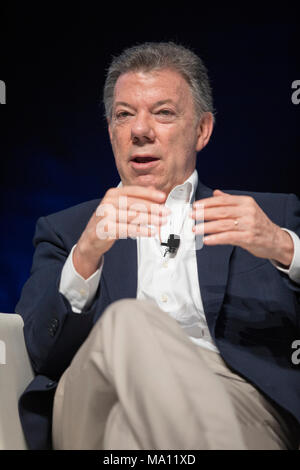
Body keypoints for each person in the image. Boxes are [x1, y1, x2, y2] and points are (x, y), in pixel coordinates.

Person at [16, 42, 300, 450]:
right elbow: (32, 354)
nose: (140, 130)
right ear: (111, 131)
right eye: (124, 115)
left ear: (202, 130)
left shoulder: (268, 216)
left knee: (126, 437)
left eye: (163, 113)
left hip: (233, 401)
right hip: (92, 396)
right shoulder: (69, 231)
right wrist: (86, 256)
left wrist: (282, 246)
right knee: (128, 322)